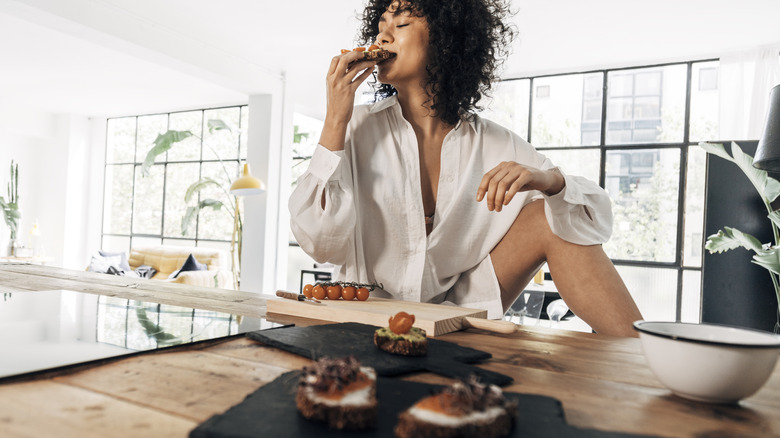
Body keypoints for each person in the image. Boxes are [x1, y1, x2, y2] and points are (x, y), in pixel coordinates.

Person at [289, 0, 643, 337]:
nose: (382, 37)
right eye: (380, 27)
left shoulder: (496, 143)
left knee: (550, 217)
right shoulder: (354, 126)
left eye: (401, 24)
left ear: (446, 40)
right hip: (371, 312)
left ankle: (643, 359)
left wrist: (549, 181)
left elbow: (592, 222)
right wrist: (335, 118)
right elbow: (318, 242)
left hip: (461, 309)